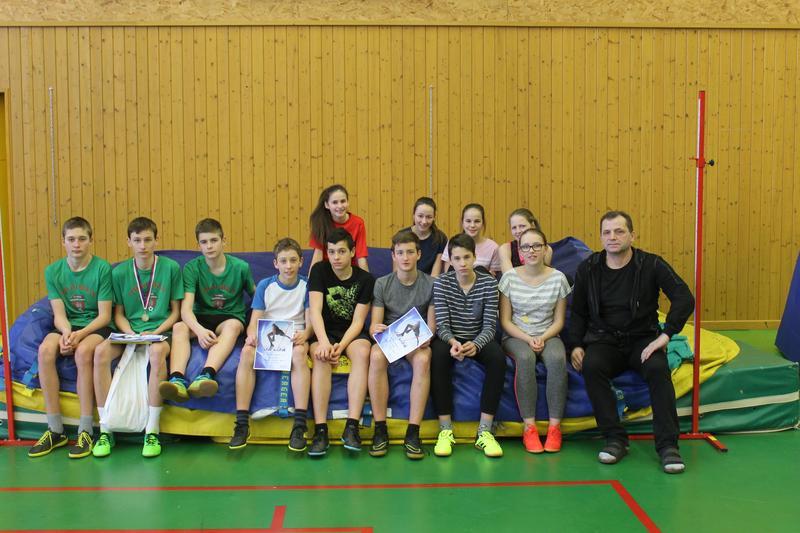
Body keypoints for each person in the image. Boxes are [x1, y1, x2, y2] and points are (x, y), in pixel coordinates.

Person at [569, 211, 694, 474]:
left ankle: (668, 446)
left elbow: (684, 298)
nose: (612, 237)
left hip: (643, 340)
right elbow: (578, 312)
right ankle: (615, 438)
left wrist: (665, 336)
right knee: (592, 366)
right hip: (604, 340)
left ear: (632, 235)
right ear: (601, 237)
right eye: (606, 232)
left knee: (658, 369)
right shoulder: (588, 268)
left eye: (619, 231)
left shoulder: (651, 264)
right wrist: (576, 345)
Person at [92, 217, 183, 458]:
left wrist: (156, 332)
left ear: (156, 241)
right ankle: (105, 428)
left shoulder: (171, 268)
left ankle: (152, 430)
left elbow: (176, 312)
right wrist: (130, 334)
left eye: (148, 240)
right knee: (100, 352)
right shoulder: (120, 272)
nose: (143, 245)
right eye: (137, 240)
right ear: (129, 242)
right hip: (129, 332)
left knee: (156, 353)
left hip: (160, 331)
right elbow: (118, 313)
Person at [28, 217, 114, 459]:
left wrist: (79, 335)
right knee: (45, 350)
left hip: (95, 326)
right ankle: (55, 429)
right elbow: (59, 314)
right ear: (63, 242)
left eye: (82, 239)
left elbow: (105, 316)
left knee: (84, 352)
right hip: (69, 326)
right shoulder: (53, 271)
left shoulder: (102, 269)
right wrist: (66, 333)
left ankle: (85, 430)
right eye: (71, 239)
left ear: (90, 241)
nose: (77, 244)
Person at [159, 219, 255, 403]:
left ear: (223, 240)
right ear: (198, 245)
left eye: (214, 240)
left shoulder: (240, 267)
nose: (209, 246)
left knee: (234, 326)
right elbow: (186, 309)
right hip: (201, 317)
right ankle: (177, 379)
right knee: (179, 327)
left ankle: (206, 375)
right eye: (204, 242)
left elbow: (257, 297)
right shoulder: (192, 268)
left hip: (229, 317)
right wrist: (199, 331)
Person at [229, 238, 312, 452]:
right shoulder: (265, 285)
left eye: (293, 260)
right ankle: (241, 423)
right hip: (269, 336)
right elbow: (254, 322)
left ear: (301, 261)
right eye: (283, 261)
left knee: (299, 355)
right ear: (275, 263)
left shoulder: (307, 286)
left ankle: (299, 424)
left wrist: (305, 334)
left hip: (294, 337)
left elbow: (311, 322)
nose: (288, 266)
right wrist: (251, 336)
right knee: (246, 353)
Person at [431, 233, 506, 458]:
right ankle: (445, 429)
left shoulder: (489, 283)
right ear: (451, 260)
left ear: (474, 257)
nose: (462, 263)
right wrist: (453, 342)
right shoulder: (442, 283)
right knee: (437, 356)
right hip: (451, 339)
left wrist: (476, 344)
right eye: (457, 258)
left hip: (479, 338)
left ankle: (485, 431)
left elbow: (490, 325)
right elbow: (442, 324)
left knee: (497, 359)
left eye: (466, 257)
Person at [499, 228, 570, 453]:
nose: (532, 250)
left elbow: (559, 320)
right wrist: (528, 338)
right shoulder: (509, 278)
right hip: (516, 336)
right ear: (520, 252)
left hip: (548, 334)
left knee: (557, 359)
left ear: (545, 249)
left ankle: (554, 428)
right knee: (525, 358)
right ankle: (529, 428)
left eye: (537, 245)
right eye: (526, 247)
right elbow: (505, 321)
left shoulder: (558, 278)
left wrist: (542, 337)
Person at [367, 230, 435, 459]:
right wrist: (375, 329)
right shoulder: (382, 283)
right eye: (400, 253)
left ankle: (413, 432)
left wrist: (427, 338)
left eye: (410, 252)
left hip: (415, 341)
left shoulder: (431, 284)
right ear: (393, 256)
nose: (405, 257)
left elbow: (431, 327)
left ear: (418, 254)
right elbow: (374, 324)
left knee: (424, 359)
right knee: (375, 356)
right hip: (391, 338)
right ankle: (380, 429)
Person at [307, 228, 375, 456]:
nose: (336, 257)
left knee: (363, 352)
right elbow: (314, 311)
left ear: (353, 252)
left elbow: (358, 321)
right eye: (332, 252)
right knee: (321, 357)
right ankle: (320, 430)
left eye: (342, 251)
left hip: (350, 334)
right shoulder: (319, 270)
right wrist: (324, 343)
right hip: (324, 331)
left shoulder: (365, 279)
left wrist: (342, 346)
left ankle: (352, 426)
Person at [308, 184, 369, 271]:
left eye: (343, 201)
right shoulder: (320, 223)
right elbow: (317, 256)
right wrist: (312, 278)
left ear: (348, 202)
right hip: (327, 270)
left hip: (349, 270)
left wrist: (366, 278)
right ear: (327, 205)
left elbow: (361, 256)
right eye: (335, 202)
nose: (340, 206)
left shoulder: (358, 223)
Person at [441, 203, 501, 277]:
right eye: (468, 221)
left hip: (481, 283)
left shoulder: (493, 247)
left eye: (477, 221)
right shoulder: (453, 243)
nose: (472, 225)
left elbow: (494, 278)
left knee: (480, 269)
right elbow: (448, 275)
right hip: (456, 283)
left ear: (483, 223)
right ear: (462, 223)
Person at [498, 208, 554, 273]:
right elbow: (509, 276)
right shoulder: (505, 249)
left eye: (522, 226)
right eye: (514, 228)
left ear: (532, 225)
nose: (518, 231)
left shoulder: (546, 250)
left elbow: (541, 274)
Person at [403, 197, 447, 277]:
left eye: (429, 217)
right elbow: (397, 272)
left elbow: (434, 276)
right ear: (414, 215)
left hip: (429, 282)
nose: (424, 221)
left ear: (434, 217)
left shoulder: (440, 238)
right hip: (406, 280)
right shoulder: (402, 236)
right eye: (420, 216)